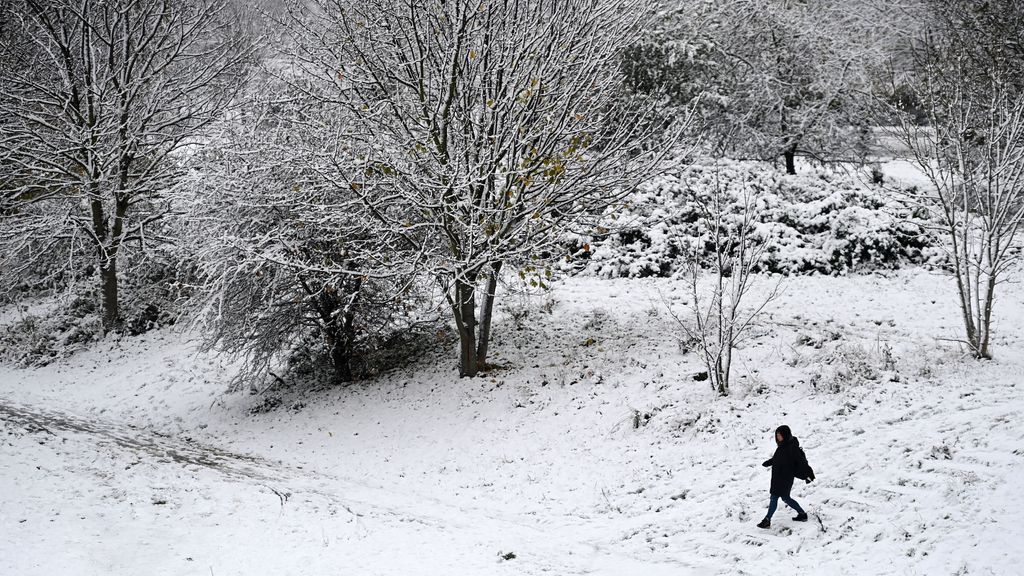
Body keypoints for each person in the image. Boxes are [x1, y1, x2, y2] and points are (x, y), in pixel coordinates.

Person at [757, 424, 814, 529]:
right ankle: (802, 514)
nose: (778, 437)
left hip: (785, 478)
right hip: (778, 477)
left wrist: (808, 474)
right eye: (777, 435)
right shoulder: (782, 446)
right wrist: (769, 462)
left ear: (785, 435)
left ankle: (767, 520)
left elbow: (801, 462)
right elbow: (778, 459)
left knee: (774, 498)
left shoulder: (792, 448)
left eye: (780, 435)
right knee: (785, 498)